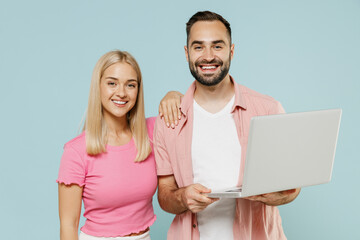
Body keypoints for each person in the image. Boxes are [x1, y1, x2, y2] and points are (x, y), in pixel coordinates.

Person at [154, 11, 301, 240]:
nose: (208, 56)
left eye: (218, 46)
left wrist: (281, 196)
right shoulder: (169, 120)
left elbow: (293, 186)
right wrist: (183, 198)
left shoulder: (268, 110)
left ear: (232, 50)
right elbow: (165, 195)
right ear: (187, 53)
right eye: (198, 47)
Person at [57, 50, 182, 240]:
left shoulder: (152, 131)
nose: (121, 92)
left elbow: (191, 114)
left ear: (138, 90)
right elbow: (68, 226)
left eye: (130, 85)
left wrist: (173, 95)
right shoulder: (76, 151)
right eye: (112, 83)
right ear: (98, 87)